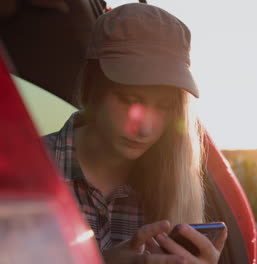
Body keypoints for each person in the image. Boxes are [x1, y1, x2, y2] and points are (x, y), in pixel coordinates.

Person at [43, 3, 227, 264]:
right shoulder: (24, 172)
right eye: (130, 100)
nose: (145, 128)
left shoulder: (173, 188)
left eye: (163, 107)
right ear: (92, 87)